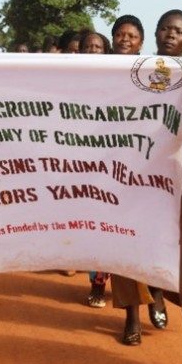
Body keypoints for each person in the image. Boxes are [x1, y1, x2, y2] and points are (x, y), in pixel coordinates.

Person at [106, 14, 169, 346]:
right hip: (112, 173)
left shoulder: (156, 72)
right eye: (119, 34)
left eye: (131, 35)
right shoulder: (99, 72)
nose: (124, 39)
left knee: (153, 240)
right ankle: (132, 318)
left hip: (152, 171)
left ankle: (156, 291)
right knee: (121, 245)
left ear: (141, 41)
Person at [77, 31, 113, 307]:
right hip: (79, 164)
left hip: (115, 163)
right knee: (93, 228)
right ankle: (96, 284)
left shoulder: (118, 78)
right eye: (87, 46)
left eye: (98, 47)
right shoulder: (68, 79)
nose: (92, 50)